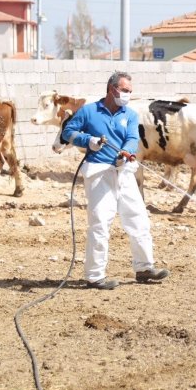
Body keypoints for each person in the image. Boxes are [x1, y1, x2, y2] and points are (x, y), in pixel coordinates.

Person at [62, 71, 170, 290]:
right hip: (99, 174)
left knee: (138, 219)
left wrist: (126, 152)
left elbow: (132, 138)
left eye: (130, 91)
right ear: (112, 89)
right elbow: (67, 132)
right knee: (100, 222)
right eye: (125, 90)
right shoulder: (89, 111)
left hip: (124, 172)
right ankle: (94, 276)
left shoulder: (129, 115)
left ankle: (144, 268)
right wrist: (87, 140)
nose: (128, 94)